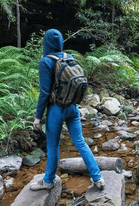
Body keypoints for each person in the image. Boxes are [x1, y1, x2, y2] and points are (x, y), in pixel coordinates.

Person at [31, 29, 105, 191]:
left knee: (53, 147)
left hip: (56, 110)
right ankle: (98, 178)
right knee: (80, 143)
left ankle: (48, 181)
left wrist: (38, 117)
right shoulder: (68, 57)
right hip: (73, 108)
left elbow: (44, 93)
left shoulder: (46, 62)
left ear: (46, 42)